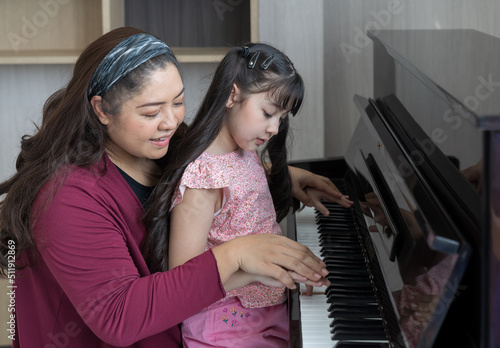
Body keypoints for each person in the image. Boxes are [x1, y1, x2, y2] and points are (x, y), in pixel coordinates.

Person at [0, 27, 349, 347]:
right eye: (151, 112)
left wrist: (283, 175)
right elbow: (118, 317)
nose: (171, 122)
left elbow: (211, 168)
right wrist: (236, 254)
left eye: (179, 102)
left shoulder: (161, 146)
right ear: (102, 109)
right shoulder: (66, 199)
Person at [142, 43, 351, 347]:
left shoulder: (240, 149)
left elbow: (240, 187)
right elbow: (183, 284)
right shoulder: (203, 183)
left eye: (281, 118)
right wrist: (265, 273)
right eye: (268, 113)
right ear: (232, 95)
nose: (274, 128)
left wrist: (290, 176)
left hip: (263, 309)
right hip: (225, 324)